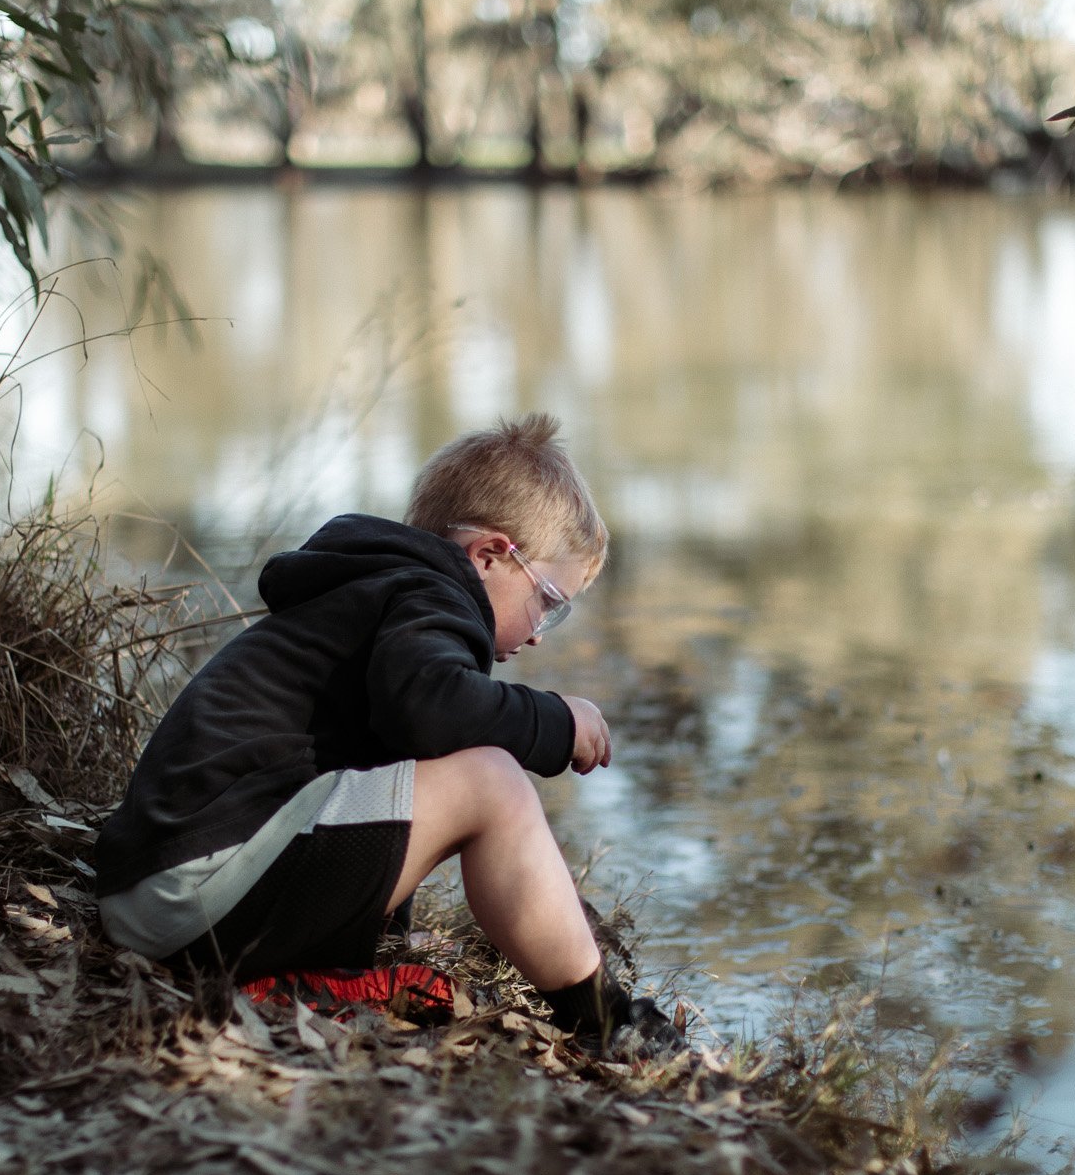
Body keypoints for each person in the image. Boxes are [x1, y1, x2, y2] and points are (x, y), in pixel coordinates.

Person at [94, 414, 683, 1059]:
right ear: (489, 555)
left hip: (160, 893)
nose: (542, 631)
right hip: (195, 895)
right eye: (547, 600)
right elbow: (432, 711)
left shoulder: (380, 591)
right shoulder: (429, 594)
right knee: (493, 781)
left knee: (460, 762)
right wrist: (556, 720)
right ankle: (607, 1021)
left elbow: (385, 759)